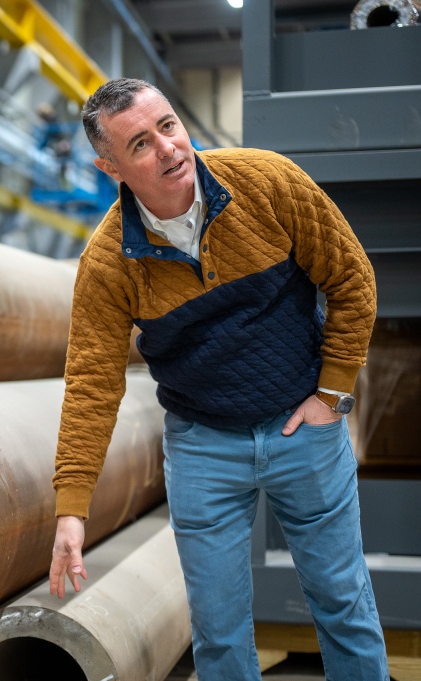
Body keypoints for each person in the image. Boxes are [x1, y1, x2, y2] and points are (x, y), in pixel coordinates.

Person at [47, 78, 388, 680]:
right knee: (219, 630)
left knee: (343, 602)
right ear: (110, 167)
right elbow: (92, 383)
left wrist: (332, 393)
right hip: (203, 445)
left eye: (169, 126)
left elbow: (352, 279)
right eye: (141, 144)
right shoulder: (107, 263)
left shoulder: (268, 183)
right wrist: (72, 510)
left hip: (302, 429)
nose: (169, 149)